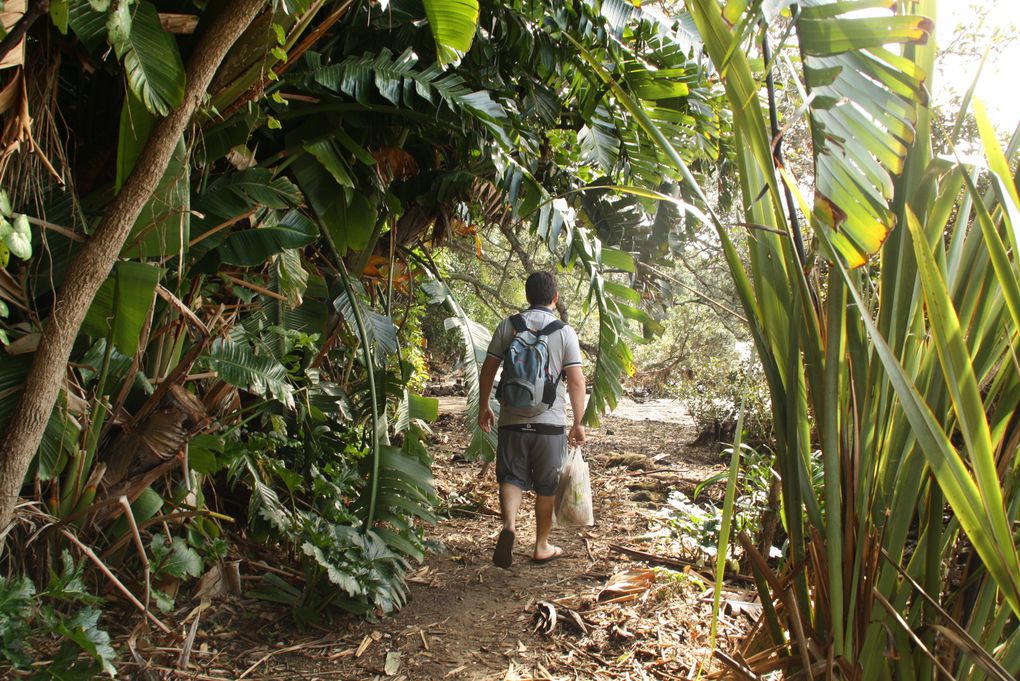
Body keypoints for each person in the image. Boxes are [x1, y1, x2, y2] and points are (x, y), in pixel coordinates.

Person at [478, 271, 586, 568]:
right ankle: (541, 546)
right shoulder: (564, 332)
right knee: (547, 486)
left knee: (511, 476)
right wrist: (578, 421)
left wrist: (484, 405)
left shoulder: (508, 325)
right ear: (555, 298)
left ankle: (510, 526)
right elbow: (576, 381)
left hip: (512, 418)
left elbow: (488, 369)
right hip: (549, 423)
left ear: (527, 297)